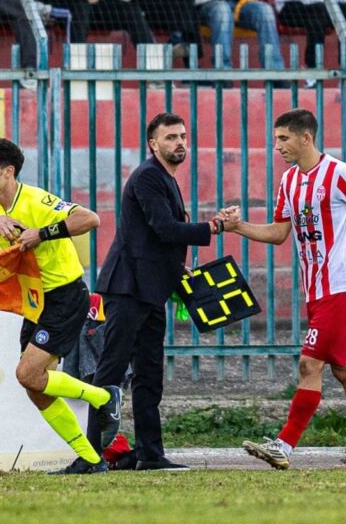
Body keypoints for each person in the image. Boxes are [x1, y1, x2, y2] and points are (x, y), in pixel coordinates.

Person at [224, 108, 346, 470]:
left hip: (340, 286)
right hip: (315, 291)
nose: (278, 146)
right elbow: (279, 232)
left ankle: (284, 445)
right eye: (276, 139)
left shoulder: (339, 173)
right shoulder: (289, 181)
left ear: (306, 138)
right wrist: (238, 227)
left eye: (283, 138)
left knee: (309, 363)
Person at [0, 138, 122, 475]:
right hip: (36, 301)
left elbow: (90, 220)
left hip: (65, 296)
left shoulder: (36, 199)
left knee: (27, 374)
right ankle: (91, 460)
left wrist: (42, 234)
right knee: (34, 386)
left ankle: (104, 398)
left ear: (8, 171)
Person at [88, 112, 225, 471]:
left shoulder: (164, 177)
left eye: (182, 136)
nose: (179, 143)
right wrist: (213, 226)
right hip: (128, 288)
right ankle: (89, 455)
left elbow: (149, 237)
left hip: (151, 289)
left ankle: (150, 454)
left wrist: (177, 269)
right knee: (110, 372)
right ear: (154, 144)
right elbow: (165, 229)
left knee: (149, 375)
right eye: (170, 138)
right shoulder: (149, 176)